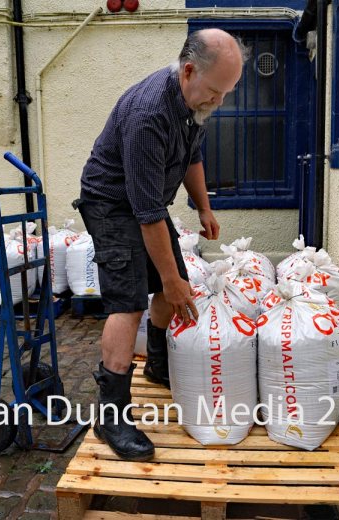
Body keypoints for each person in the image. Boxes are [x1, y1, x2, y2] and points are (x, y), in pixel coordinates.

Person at [73, 28, 246, 462]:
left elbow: (191, 157)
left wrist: (203, 207)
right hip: (111, 204)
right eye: (214, 91)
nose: (219, 102)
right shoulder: (150, 113)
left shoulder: (192, 104)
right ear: (188, 71)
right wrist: (168, 280)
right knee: (128, 301)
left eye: (227, 92)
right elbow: (147, 213)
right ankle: (111, 414)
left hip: (144, 204)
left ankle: (156, 363)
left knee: (178, 283)